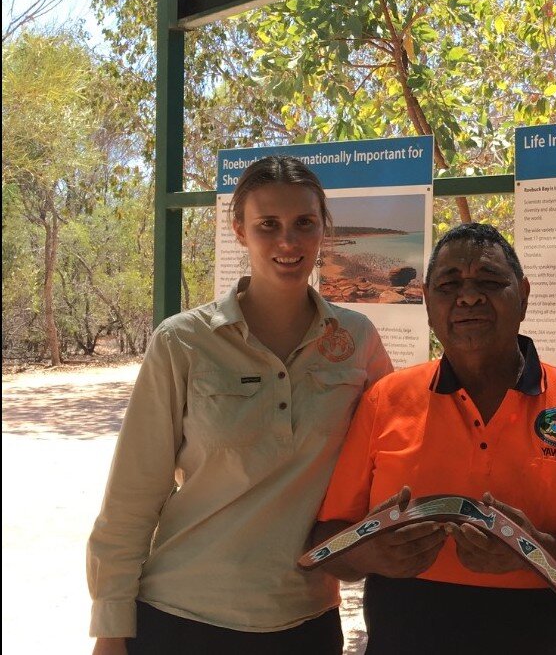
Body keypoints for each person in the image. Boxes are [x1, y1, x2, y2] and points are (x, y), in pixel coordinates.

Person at [87, 156, 393, 655]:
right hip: (180, 614)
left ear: (323, 229)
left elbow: (393, 456)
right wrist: (110, 627)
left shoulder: (356, 339)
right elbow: (131, 498)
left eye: (304, 224)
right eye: (267, 225)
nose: (288, 243)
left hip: (305, 618)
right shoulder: (182, 342)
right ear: (239, 231)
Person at [313, 222, 556, 655]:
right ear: (428, 301)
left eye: (489, 281)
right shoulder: (386, 400)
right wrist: (371, 552)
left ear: (523, 295)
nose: (468, 296)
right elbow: (327, 543)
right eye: (449, 285)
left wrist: (538, 550)